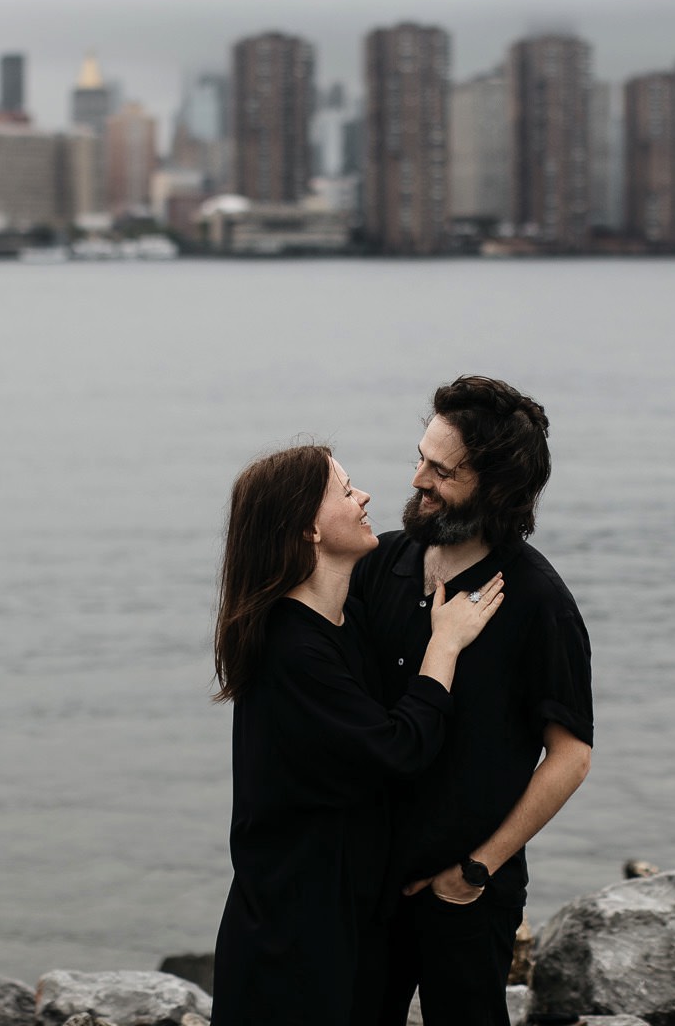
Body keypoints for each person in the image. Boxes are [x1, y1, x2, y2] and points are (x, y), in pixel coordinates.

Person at [210, 444, 506, 1026]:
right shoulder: (290, 648)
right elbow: (397, 749)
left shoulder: (345, 620)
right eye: (345, 492)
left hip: (345, 913)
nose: (365, 496)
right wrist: (443, 645)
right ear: (307, 531)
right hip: (293, 931)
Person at [353, 377, 594, 1026]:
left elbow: (570, 757)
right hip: (368, 882)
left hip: (465, 894)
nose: (418, 480)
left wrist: (475, 871)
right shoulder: (381, 565)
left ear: (495, 487)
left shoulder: (539, 601)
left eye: (441, 470)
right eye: (420, 458)